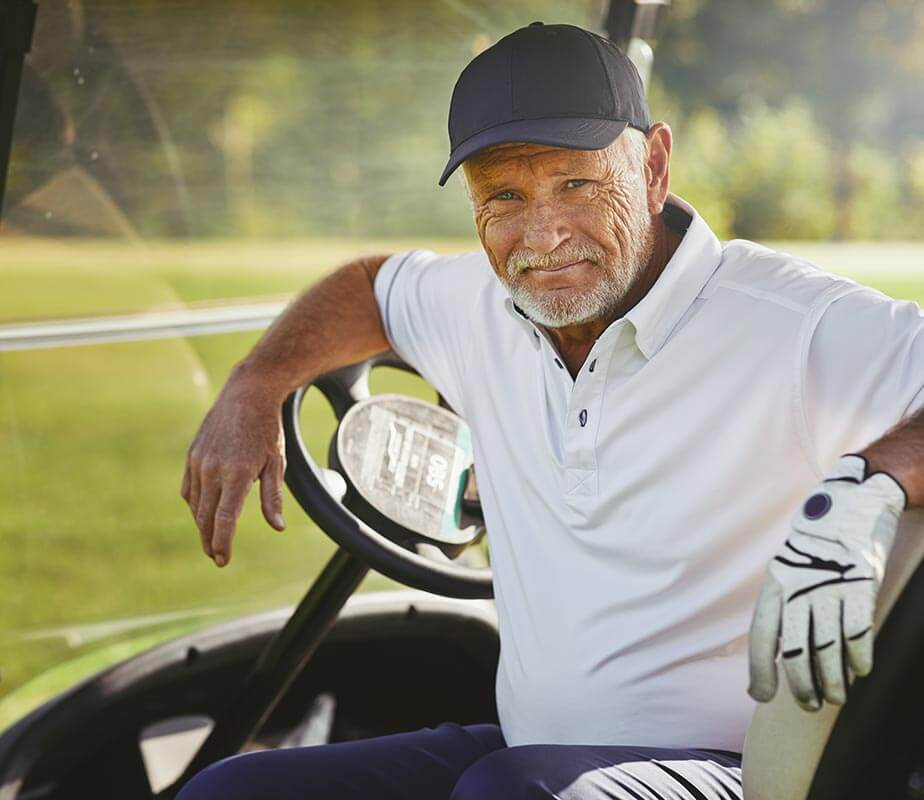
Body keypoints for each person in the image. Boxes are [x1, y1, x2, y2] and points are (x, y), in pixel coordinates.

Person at [178, 22, 924, 800]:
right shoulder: (479, 304)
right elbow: (371, 287)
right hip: (529, 756)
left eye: (578, 184)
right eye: (504, 195)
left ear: (655, 165)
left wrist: (871, 483)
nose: (544, 234)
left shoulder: (793, 324)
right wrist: (253, 383)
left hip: (737, 774)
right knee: (228, 794)